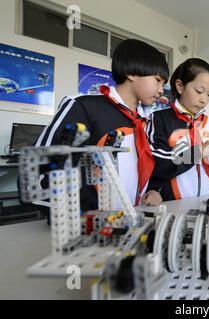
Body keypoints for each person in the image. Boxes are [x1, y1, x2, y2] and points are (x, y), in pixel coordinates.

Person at [35, 39, 168, 210]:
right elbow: (42, 172)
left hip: (129, 223)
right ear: (132, 73)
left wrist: (151, 190)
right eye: (157, 80)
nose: (161, 89)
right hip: (88, 227)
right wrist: (83, 213)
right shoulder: (85, 108)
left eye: (163, 83)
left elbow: (133, 172)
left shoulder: (143, 121)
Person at [149, 58, 209, 200]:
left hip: (208, 200)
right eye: (199, 91)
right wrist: (199, 151)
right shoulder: (159, 119)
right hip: (174, 203)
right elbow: (157, 164)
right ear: (180, 86)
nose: (204, 100)